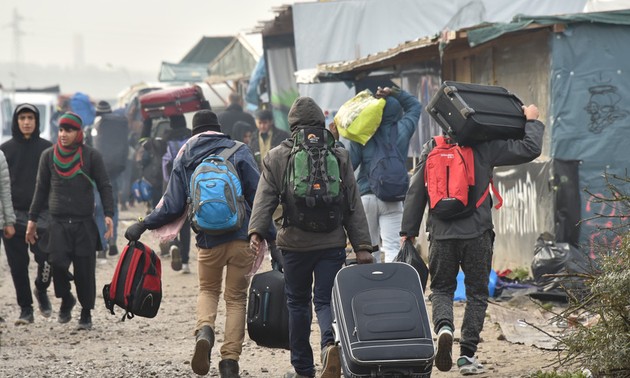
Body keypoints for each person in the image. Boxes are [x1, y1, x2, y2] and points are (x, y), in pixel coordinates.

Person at [124, 109, 272, 378]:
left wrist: (143, 223)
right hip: (241, 238)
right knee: (236, 299)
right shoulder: (240, 150)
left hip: (207, 240)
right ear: (219, 128)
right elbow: (259, 197)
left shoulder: (186, 154)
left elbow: (172, 205)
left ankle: (205, 331)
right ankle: (229, 361)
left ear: (195, 132)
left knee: (208, 291)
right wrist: (271, 237)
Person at [400, 104, 544, 375]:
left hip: (441, 235)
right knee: (477, 293)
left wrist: (407, 232)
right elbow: (529, 149)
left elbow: (416, 192)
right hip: (477, 233)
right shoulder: (485, 147)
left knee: (441, 289)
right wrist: (532, 121)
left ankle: (444, 327)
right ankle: (467, 356)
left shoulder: (432, 147)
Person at [248, 96, 374, 378]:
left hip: (293, 244)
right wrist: (362, 246)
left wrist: (257, 231)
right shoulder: (339, 153)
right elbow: (352, 203)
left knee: (297, 302)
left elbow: (264, 199)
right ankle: (329, 344)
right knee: (326, 300)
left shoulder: (277, 156)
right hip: (331, 242)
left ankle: (303, 369)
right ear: (320, 122)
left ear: (292, 125)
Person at [26, 112, 114, 331]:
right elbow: (41, 189)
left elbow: (104, 185)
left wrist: (109, 215)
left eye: (69, 130)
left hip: (84, 223)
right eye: (62, 130)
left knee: (85, 271)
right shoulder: (48, 156)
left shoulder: (91, 156)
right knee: (57, 264)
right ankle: (66, 298)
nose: (64, 134)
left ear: (79, 133)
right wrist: (32, 219)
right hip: (57, 224)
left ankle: (86, 313)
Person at [347, 86, 421, 263]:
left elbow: (349, 165)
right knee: (393, 247)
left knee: (369, 249)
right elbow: (415, 106)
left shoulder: (362, 133)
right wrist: (394, 93)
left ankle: (371, 287)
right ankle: (392, 286)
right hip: (393, 197)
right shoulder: (402, 129)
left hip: (366, 197)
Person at [1, 103, 52, 325]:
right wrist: (6, 218)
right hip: (15, 216)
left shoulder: (47, 149)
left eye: (30, 117)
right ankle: (26, 309)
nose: (26, 122)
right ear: (16, 121)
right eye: (22, 118)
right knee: (18, 265)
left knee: (47, 259)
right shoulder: (6, 150)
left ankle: (41, 289)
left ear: (37, 120)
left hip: (43, 215)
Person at [91, 100, 128, 258]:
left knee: (100, 209)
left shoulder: (96, 124)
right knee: (113, 206)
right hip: (116, 171)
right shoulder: (119, 124)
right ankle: (112, 240)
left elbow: (91, 148)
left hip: (99, 172)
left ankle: (102, 245)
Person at [161, 114, 192, 273]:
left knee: (172, 220)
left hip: (173, 187)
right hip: (189, 187)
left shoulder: (167, 142)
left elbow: (166, 165)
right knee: (186, 225)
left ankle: (174, 244)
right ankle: (186, 262)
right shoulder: (192, 139)